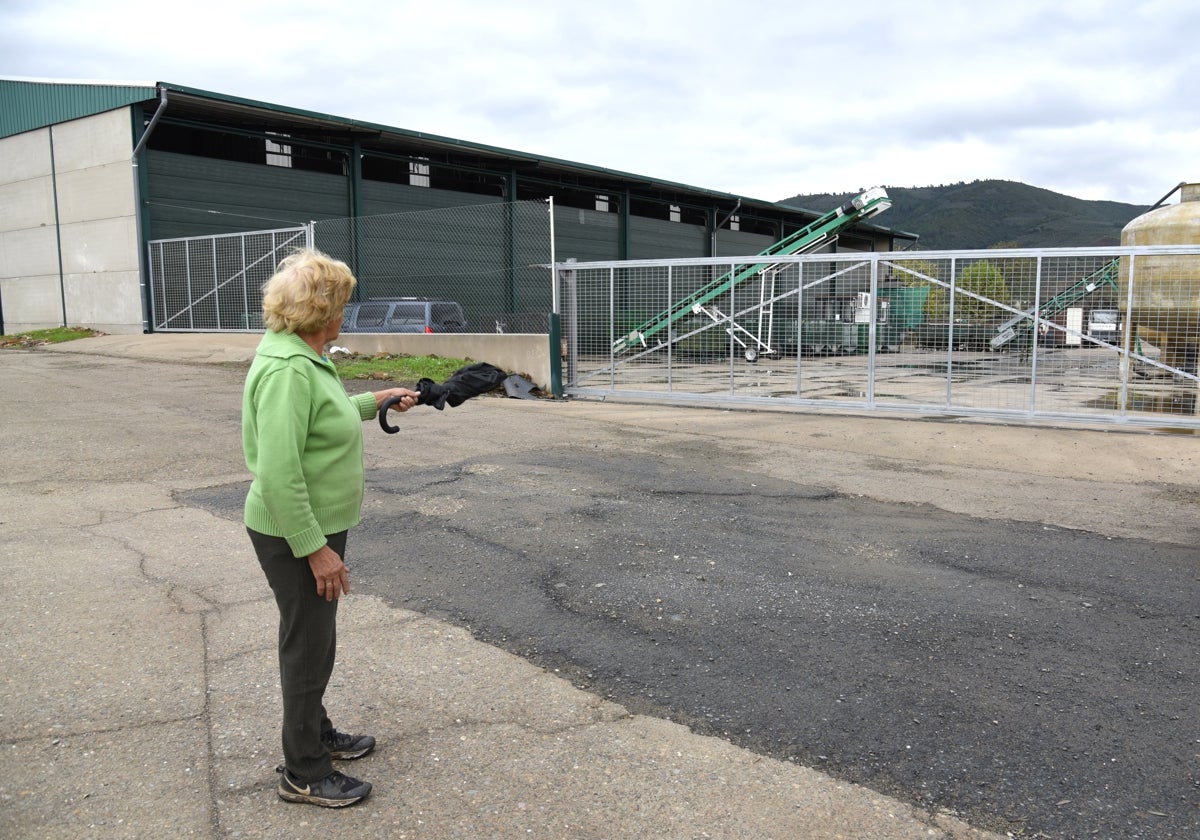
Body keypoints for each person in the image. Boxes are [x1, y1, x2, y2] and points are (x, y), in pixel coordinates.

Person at [242, 248, 420, 808]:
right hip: (297, 531)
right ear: (324, 310)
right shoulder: (288, 369)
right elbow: (276, 471)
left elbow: (326, 417)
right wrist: (315, 549)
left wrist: (375, 401)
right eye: (342, 302)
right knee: (308, 646)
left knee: (314, 639)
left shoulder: (305, 357)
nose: (347, 311)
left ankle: (316, 734)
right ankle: (304, 771)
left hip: (312, 527)